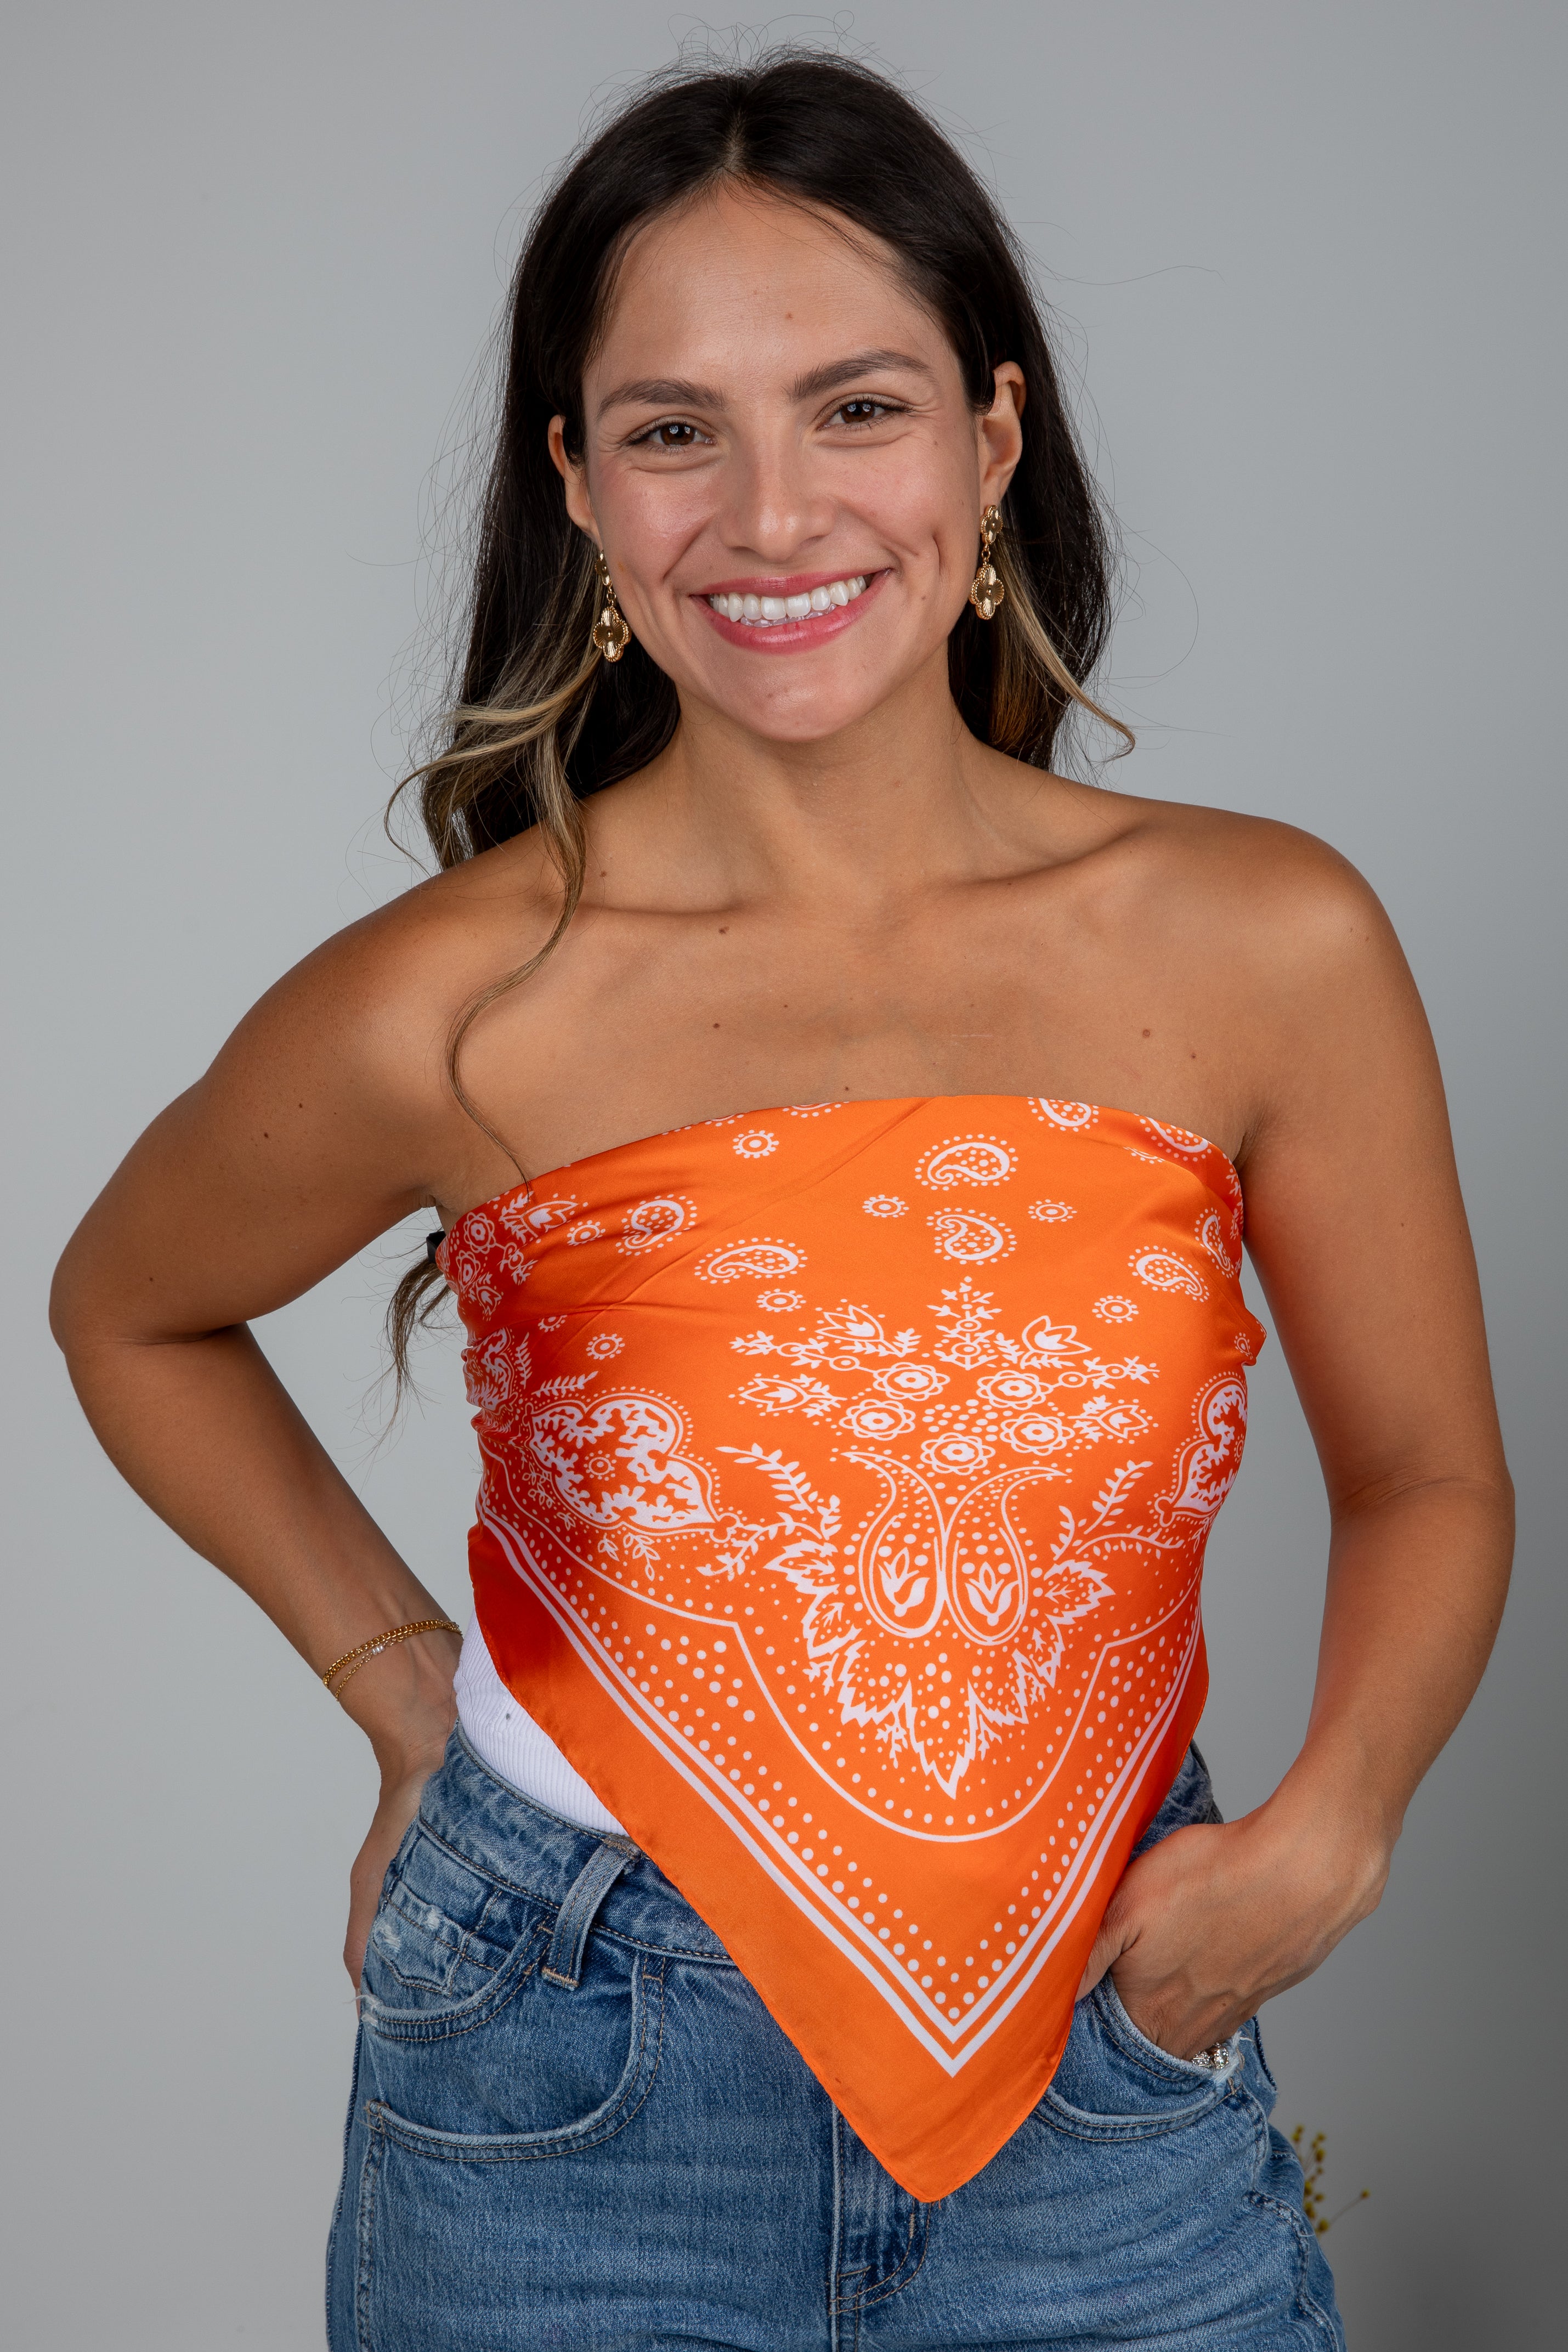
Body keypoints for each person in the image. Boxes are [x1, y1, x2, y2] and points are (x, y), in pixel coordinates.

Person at [50, 52, 1512, 2351]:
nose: (771, 510)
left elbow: (1429, 1474)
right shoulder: (454, 1000)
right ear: (579, 489)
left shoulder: (1263, 941)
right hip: (561, 2070)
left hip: (1105, 2061)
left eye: (855, 407)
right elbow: (125, 1307)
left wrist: (1334, 1824)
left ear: (991, 443)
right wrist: (403, 1696)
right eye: (669, 429)